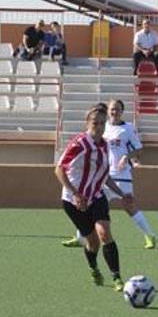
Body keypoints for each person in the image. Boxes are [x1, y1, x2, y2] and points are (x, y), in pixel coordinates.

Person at [63, 99, 158, 249]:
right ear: (108, 112)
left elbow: (139, 149)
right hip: (101, 175)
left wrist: (126, 157)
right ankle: (81, 238)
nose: (115, 112)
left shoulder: (127, 128)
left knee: (129, 206)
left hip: (121, 174)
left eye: (118, 109)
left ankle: (150, 235)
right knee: (89, 205)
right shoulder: (102, 126)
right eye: (112, 109)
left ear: (122, 111)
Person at [55, 105, 130, 291]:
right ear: (87, 123)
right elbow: (59, 169)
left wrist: (122, 194)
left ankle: (117, 277)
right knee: (93, 242)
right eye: (95, 123)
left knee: (104, 233)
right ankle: (94, 267)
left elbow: (104, 175)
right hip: (73, 201)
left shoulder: (105, 145)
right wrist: (75, 193)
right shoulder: (79, 143)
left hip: (96, 196)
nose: (99, 126)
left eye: (102, 123)